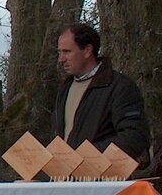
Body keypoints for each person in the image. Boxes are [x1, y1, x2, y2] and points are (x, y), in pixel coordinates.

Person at [55, 22, 149, 160]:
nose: (61, 59)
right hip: (67, 178)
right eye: (59, 52)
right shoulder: (65, 88)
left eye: (67, 52)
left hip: (103, 179)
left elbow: (134, 137)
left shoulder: (119, 87)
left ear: (87, 50)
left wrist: (86, 157)